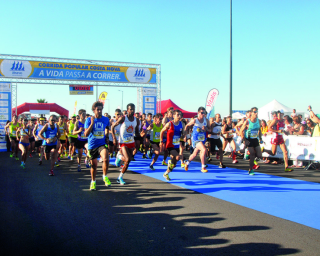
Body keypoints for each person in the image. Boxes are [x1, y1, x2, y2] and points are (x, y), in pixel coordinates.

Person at [84, 101, 110, 191]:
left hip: (101, 144)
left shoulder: (106, 119)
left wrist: (106, 136)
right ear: (94, 110)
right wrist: (92, 123)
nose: (99, 111)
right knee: (94, 166)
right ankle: (93, 182)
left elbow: (107, 128)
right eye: (97, 110)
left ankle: (104, 176)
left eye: (101, 109)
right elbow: (86, 134)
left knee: (106, 158)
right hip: (92, 145)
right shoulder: (88, 120)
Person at [111, 103, 139, 185]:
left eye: (133, 109)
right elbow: (112, 127)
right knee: (127, 159)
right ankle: (119, 156)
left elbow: (137, 132)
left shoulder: (136, 120)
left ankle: (120, 177)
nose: (132, 111)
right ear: (127, 110)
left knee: (128, 161)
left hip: (131, 141)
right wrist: (114, 138)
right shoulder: (123, 118)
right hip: (123, 141)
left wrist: (142, 134)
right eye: (130, 109)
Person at [160, 109, 185, 181]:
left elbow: (183, 133)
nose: (179, 116)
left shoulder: (182, 124)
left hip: (177, 145)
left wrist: (184, 137)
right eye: (177, 115)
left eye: (180, 115)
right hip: (170, 145)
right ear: (173, 116)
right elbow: (162, 131)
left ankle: (166, 173)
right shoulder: (170, 124)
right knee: (178, 157)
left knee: (174, 164)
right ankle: (170, 161)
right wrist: (161, 141)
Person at [184, 107, 210, 173]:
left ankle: (187, 163)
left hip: (202, 139)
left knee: (194, 154)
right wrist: (185, 135)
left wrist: (206, 129)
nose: (203, 114)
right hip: (196, 139)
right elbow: (187, 125)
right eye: (202, 113)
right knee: (204, 149)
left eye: (204, 113)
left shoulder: (206, 120)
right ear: (198, 113)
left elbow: (210, 130)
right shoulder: (195, 120)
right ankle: (203, 167)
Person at [240, 107, 263, 175]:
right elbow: (241, 130)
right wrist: (244, 139)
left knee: (259, 156)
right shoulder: (247, 121)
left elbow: (260, 130)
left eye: (257, 112)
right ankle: (251, 169)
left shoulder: (259, 121)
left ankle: (249, 154)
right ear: (251, 113)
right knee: (252, 154)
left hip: (255, 139)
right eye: (255, 112)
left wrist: (260, 138)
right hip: (249, 139)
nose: (256, 113)